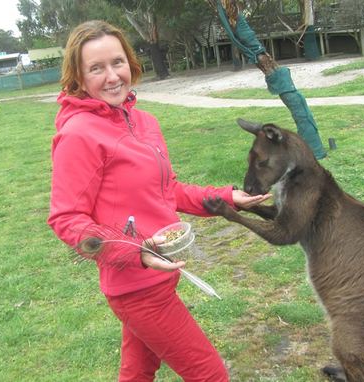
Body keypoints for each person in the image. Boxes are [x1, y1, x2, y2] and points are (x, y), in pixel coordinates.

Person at [47, 20, 270, 381]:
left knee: (137, 373)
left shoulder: (144, 122)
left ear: (131, 63)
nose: (112, 76)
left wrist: (227, 197)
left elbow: (168, 191)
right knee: (211, 375)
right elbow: (66, 218)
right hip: (136, 289)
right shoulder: (79, 135)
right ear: (78, 76)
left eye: (117, 62)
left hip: (159, 275)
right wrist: (134, 251)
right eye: (96, 68)